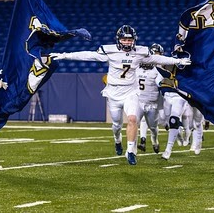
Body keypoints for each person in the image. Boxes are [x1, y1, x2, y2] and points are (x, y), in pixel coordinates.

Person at [49, 25, 191, 165]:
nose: (127, 42)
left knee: (132, 119)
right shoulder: (109, 51)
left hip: (131, 92)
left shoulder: (140, 52)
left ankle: (130, 151)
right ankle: (117, 140)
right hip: (113, 93)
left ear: (134, 40)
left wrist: (177, 61)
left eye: (129, 40)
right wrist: (64, 55)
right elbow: (88, 55)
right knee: (117, 124)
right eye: (124, 39)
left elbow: (158, 59)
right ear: (119, 40)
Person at [136, 43, 165, 154]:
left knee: (157, 123)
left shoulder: (159, 70)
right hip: (141, 100)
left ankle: (155, 139)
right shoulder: (137, 69)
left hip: (156, 97)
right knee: (137, 121)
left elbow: (160, 83)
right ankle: (141, 141)